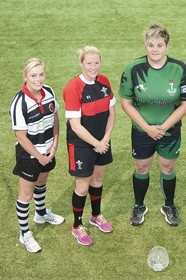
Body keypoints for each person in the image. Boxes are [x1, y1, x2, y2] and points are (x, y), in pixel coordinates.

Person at [119, 23, 186, 226]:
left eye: (159, 45)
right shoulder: (133, 68)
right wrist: (147, 128)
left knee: (168, 167)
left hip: (169, 131)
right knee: (142, 166)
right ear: (145, 45)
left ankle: (169, 205)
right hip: (142, 130)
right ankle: (139, 205)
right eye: (151, 45)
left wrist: (163, 127)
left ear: (167, 46)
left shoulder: (179, 69)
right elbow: (125, 102)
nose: (155, 49)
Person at [62, 46, 116, 246]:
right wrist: (97, 143)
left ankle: (96, 216)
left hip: (103, 141)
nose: (93, 67)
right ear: (81, 63)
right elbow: (75, 126)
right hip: (82, 145)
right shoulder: (73, 87)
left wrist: (106, 138)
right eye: (89, 63)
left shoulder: (104, 82)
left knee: (98, 179)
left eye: (96, 62)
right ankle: (77, 226)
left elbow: (112, 113)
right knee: (82, 186)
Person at [9, 58, 64, 253]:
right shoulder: (19, 102)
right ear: (25, 77)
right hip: (30, 156)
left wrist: (55, 144)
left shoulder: (48, 91)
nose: (38, 79)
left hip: (48, 151)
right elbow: (21, 136)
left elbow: (54, 117)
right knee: (26, 194)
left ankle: (40, 213)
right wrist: (39, 156)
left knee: (42, 182)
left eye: (41, 74)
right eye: (33, 75)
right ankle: (24, 233)